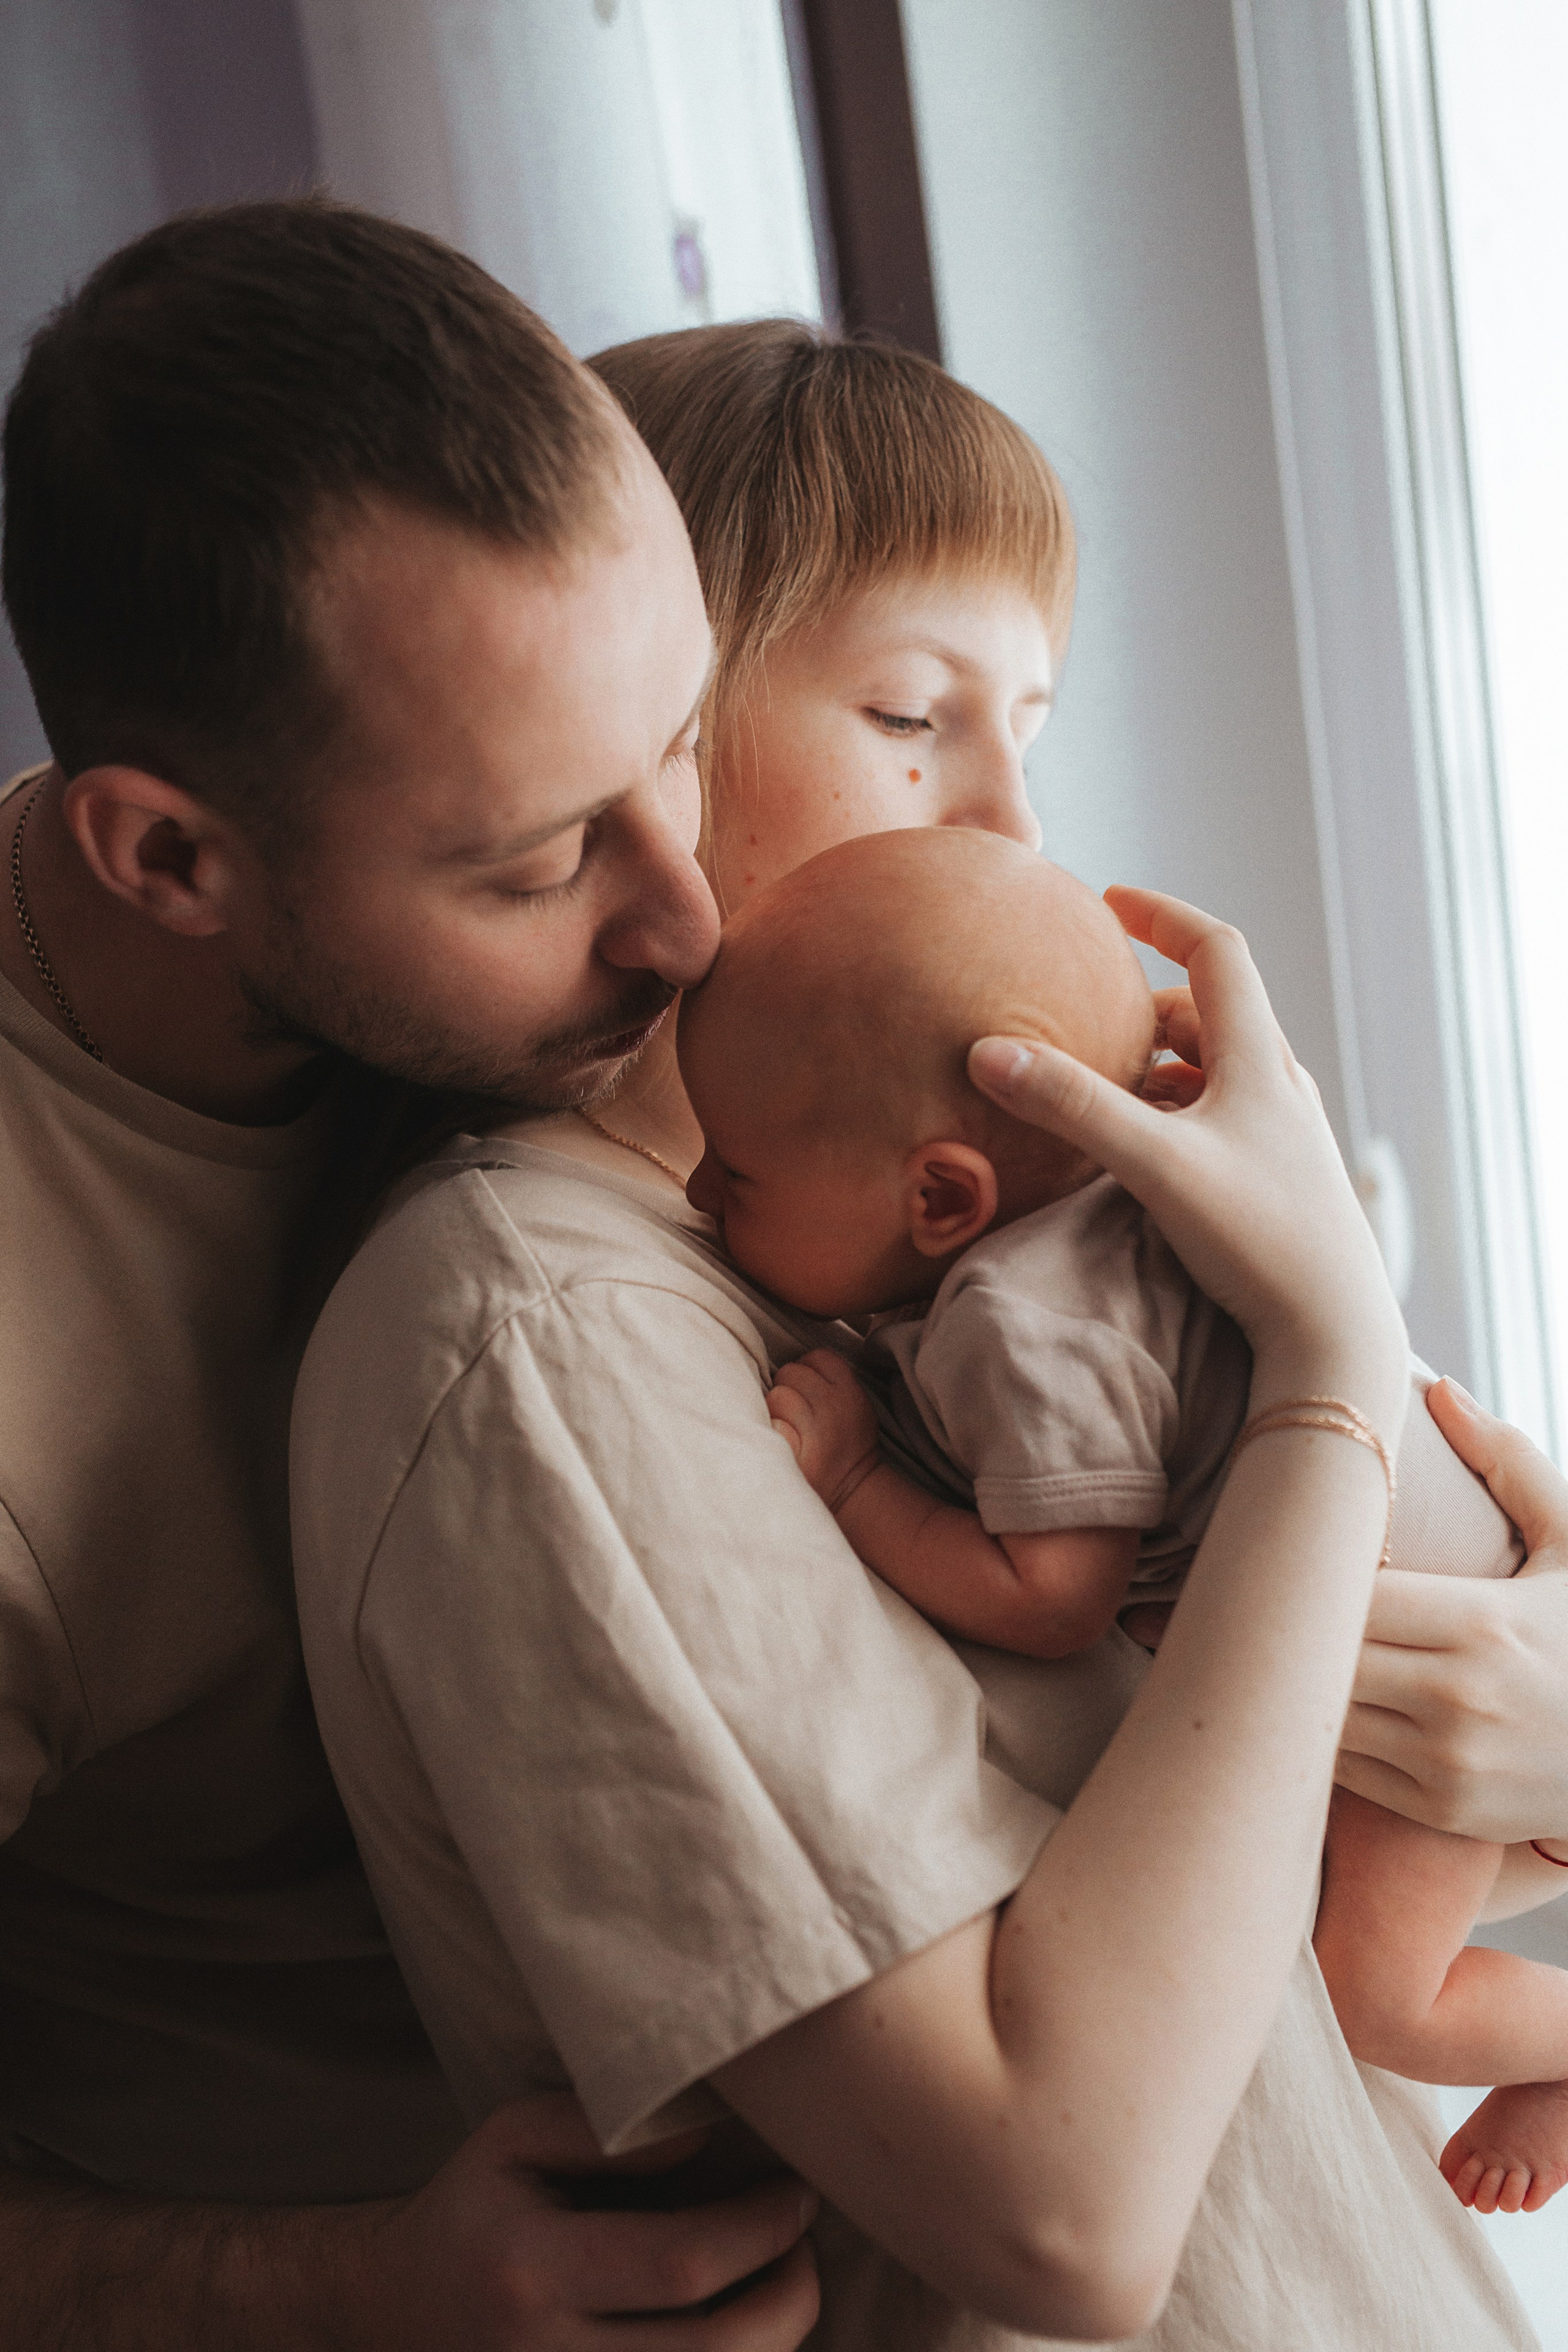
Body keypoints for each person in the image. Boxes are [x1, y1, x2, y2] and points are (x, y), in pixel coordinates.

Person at [292, 323, 1544, 2345]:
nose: (1013, 824)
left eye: (1031, 720)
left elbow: (1226, 1902)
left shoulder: (901, 1276)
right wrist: (1320, 1367)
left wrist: (1533, 1704)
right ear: (652, 712)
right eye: (909, 714)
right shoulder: (546, 1329)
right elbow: (1066, 2213)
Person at [0, 203, 820, 2349]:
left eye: (683, 741)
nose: (691, 919)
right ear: (169, 858)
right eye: (544, 861)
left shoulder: (588, 894)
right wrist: (358, 2289)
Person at [677, 821, 1568, 2219]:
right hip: (1472, 1593)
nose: (692, 1192)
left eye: (735, 1173)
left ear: (937, 1197)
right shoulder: (1134, 1185)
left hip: (1442, 1642)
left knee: (1372, 1999)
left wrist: (855, 1485)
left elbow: (1053, 1600)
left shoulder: (1012, 1318)